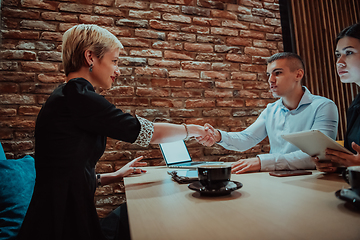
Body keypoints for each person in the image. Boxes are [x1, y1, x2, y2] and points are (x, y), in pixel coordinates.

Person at [17, 24, 208, 240]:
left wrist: (113, 176)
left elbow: (67, 169)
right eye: (114, 61)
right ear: (90, 57)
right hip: (61, 221)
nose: (118, 70)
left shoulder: (67, 95)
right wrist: (191, 130)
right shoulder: (78, 96)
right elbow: (144, 132)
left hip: (58, 212)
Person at [197, 52, 339, 174]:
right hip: (276, 179)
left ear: (298, 74)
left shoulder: (324, 106)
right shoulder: (271, 110)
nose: (270, 80)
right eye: (269, 74)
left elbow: (319, 155)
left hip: (312, 181)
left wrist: (262, 162)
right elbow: (247, 138)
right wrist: (218, 136)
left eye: (278, 73)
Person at [314, 22, 360, 172]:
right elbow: (353, 156)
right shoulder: (355, 105)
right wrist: (336, 163)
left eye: (349, 53)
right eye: (338, 55)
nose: (339, 62)